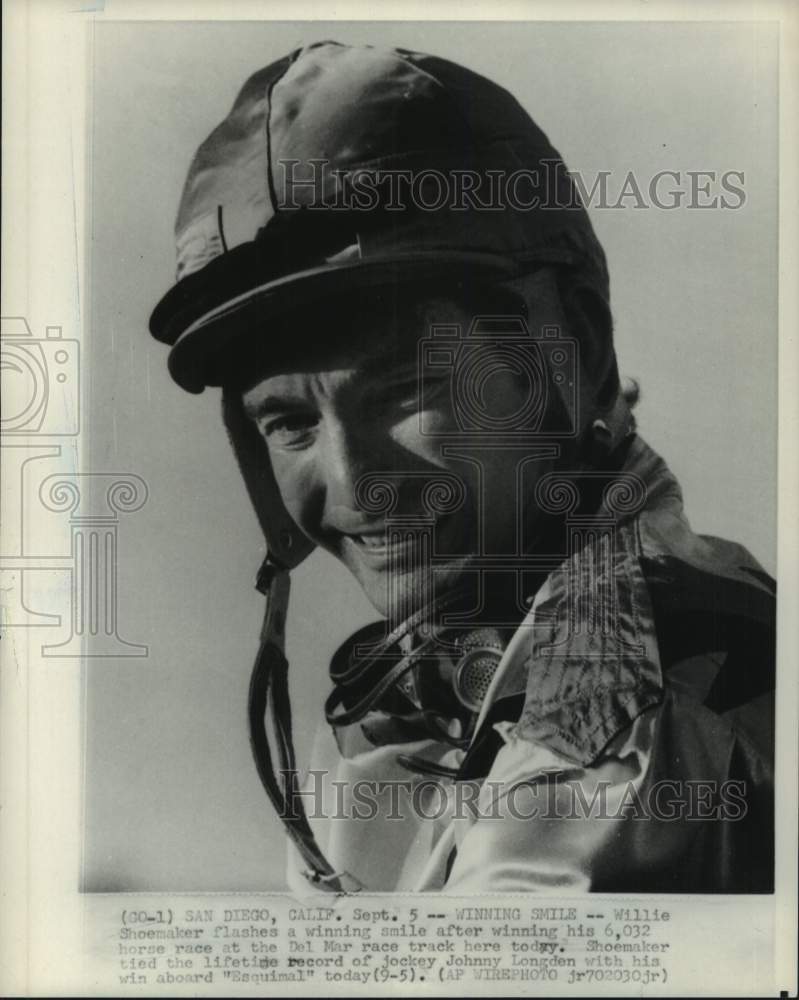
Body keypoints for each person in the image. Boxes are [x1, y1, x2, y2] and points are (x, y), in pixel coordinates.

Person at [149, 40, 775, 893]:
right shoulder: (423, 697)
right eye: (290, 421)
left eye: (407, 388)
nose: (354, 480)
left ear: (573, 349)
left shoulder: (619, 705)